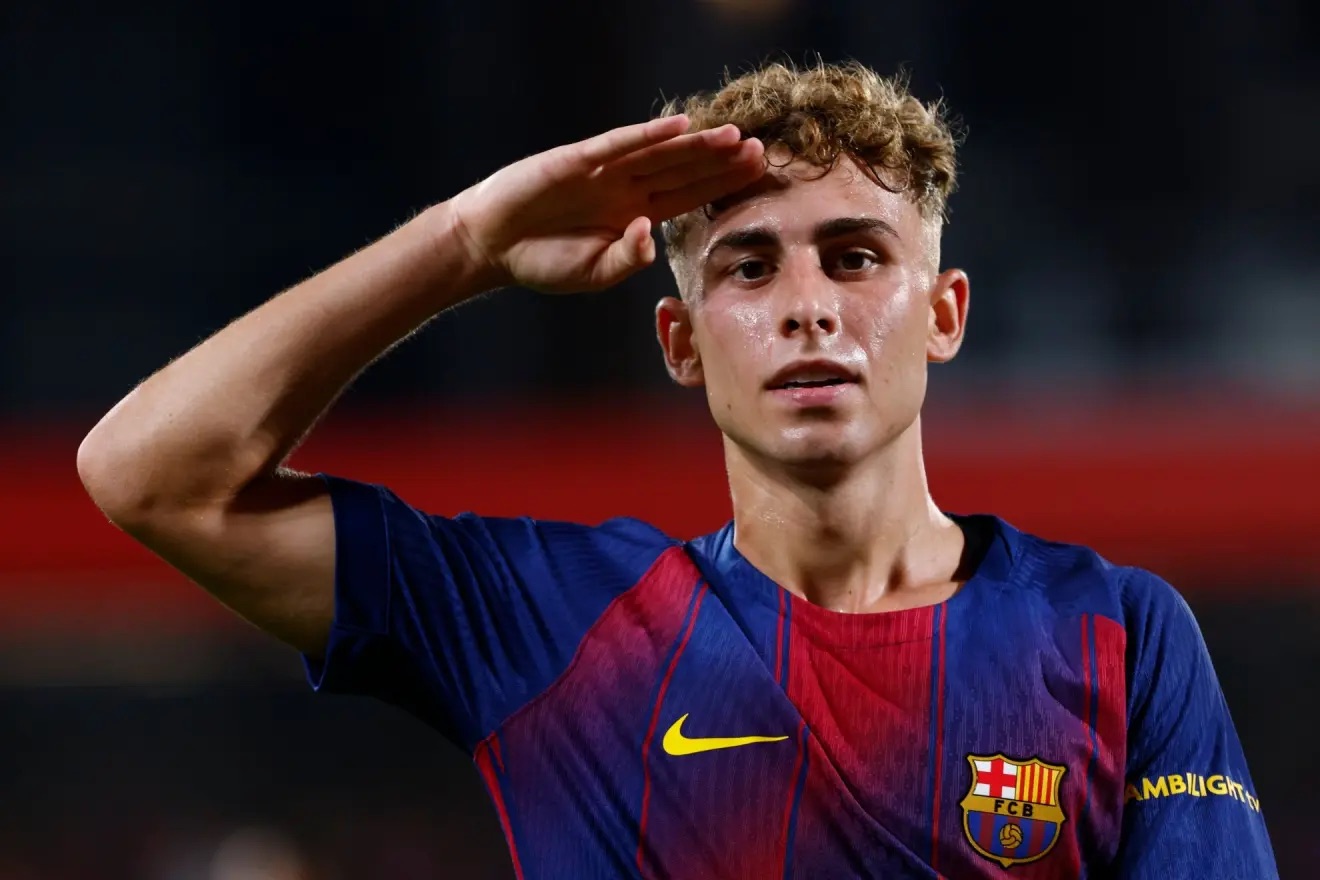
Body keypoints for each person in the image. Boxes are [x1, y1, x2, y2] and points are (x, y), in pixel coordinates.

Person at [77, 60, 1277, 878]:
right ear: (682, 341)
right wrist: (465, 243)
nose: (807, 306)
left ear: (946, 314)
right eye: (749, 268)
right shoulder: (555, 620)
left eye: (855, 256)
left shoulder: (1117, 633)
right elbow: (149, 472)